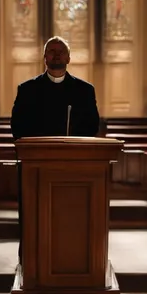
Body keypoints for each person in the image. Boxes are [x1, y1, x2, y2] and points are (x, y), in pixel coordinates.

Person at [11, 36, 101, 261]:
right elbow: (17, 127)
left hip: (74, 165)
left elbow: (92, 126)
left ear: (69, 57)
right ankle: (30, 257)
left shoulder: (84, 90)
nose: (57, 54)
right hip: (35, 166)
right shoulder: (28, 89)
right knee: (35, 215)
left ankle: (73, 255)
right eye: (52, 51)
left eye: (61, 51)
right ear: (44, 58)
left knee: (71, 214)